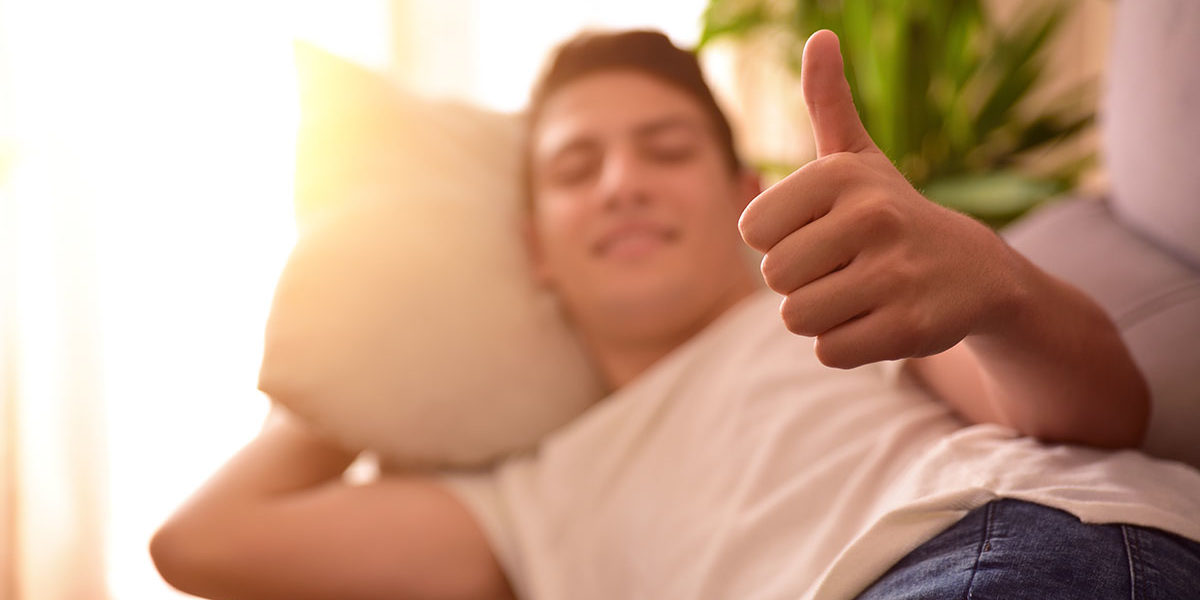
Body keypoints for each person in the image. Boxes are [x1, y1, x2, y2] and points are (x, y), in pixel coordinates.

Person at [150, 29, 1200, 600]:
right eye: (576, 167)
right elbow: (203, 545)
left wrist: (998, 288)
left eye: (664, 150)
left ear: (743, 187)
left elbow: (1099, 414)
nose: (622, 185)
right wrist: (365, 346)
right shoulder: (521, 508)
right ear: (533, 248)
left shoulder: (837, 319)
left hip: (1018, 546)